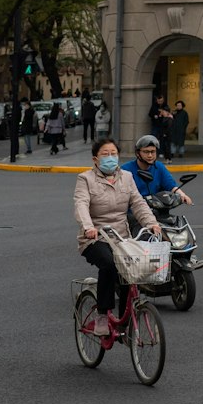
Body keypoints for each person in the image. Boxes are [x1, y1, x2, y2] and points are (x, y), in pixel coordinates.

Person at [75, 137, 160, 336]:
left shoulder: (127, 177)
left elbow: (138, 204)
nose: (110, 157)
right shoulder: (85, 179)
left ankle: (125, 321)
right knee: (109, 264)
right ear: (95, 159)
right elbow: (81, 204)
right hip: (94, 238)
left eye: (114, 153)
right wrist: (88, 227)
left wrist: (152, 223)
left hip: (121, 238)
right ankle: (103, 315)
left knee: (130, 273)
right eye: (105, 154)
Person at [122, 135, 193, 204]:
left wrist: (182, 195)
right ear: (138, 153)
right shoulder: (126, 169)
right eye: (146, 152)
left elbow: (171, 186)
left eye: (153, 152)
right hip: (134, 210)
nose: (150, 155)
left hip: (157, 208)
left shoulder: (159, 167)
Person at [149, 95, 173, 159]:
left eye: (161, 101)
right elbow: (150, 114)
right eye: (159, 101)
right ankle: (153, 151)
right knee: (154, 138)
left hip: (163, 125)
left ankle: (161, 152)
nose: (160, 102)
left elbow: (168, 114)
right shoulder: (154, 106)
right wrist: (154, 116)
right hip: (156, 124)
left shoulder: (165, 106)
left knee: (163, 140)